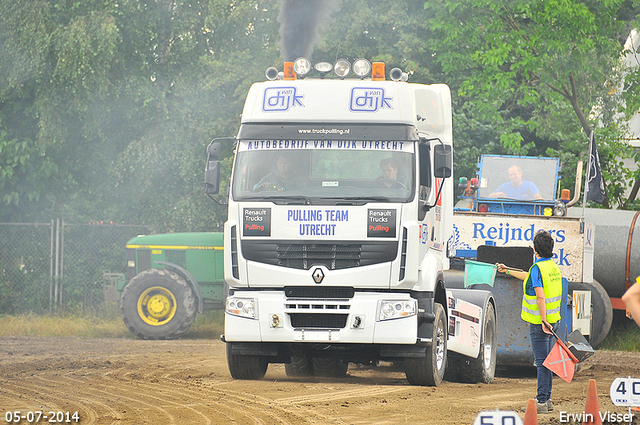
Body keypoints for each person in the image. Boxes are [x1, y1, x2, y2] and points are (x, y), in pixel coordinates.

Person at [496, 230, 562, 414]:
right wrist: (508, 270)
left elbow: (540, 296)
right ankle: (547, 400)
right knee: (547, 362)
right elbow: (528, 277)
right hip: (553, 320)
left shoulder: (538, 269)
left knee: (541, 363)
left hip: (542, 323)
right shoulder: (552, 267)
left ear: (534, 249)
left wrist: (542, 320)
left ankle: (541, 401)